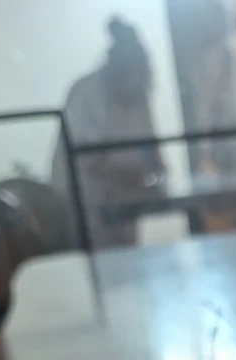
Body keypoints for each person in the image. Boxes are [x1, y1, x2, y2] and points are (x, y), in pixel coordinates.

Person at [52, 17, 165, 249]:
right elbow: (89, 161)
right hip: (85, 204)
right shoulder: (86, 94)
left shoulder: (139, 95)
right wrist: (133, 178)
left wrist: (157, 171)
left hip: (123, 204)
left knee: (127, 258)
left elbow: (151, 149)